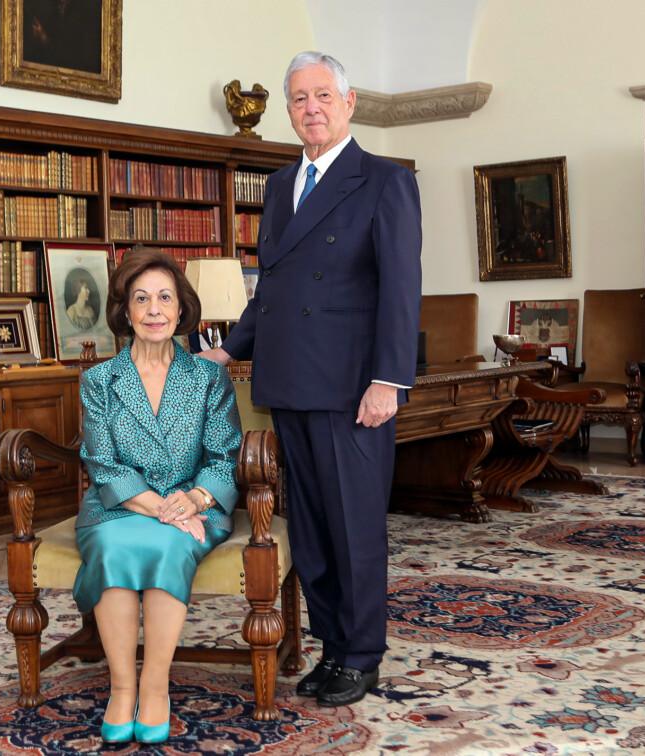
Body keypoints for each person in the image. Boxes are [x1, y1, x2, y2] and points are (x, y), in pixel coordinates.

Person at [202, 52, 423, 707]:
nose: (311, 108)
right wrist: (226, 351)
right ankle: (332, 648)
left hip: (353, 387)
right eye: (299, 98)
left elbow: (401, 291)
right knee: (313, 530)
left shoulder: (384, 180)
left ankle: (362, 655)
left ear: (349, 103)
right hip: (290, 381)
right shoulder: (279, 185)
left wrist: (389, 380)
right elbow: (271, 289)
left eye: (323, 95)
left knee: (354, 527)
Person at [74, 247, 242, 744]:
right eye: (141, 298)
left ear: (181, 308)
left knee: (168, 545)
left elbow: (224, 457)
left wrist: (194, 501)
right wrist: (163, 509)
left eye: (165, 298)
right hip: (118, 506)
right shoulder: (99, 381)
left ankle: (153, 687)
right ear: (125, 311)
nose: (154, 310)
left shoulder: (208, 377)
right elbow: (103, 462)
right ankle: (121, 689)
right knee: (114, 547)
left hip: (195, 506)